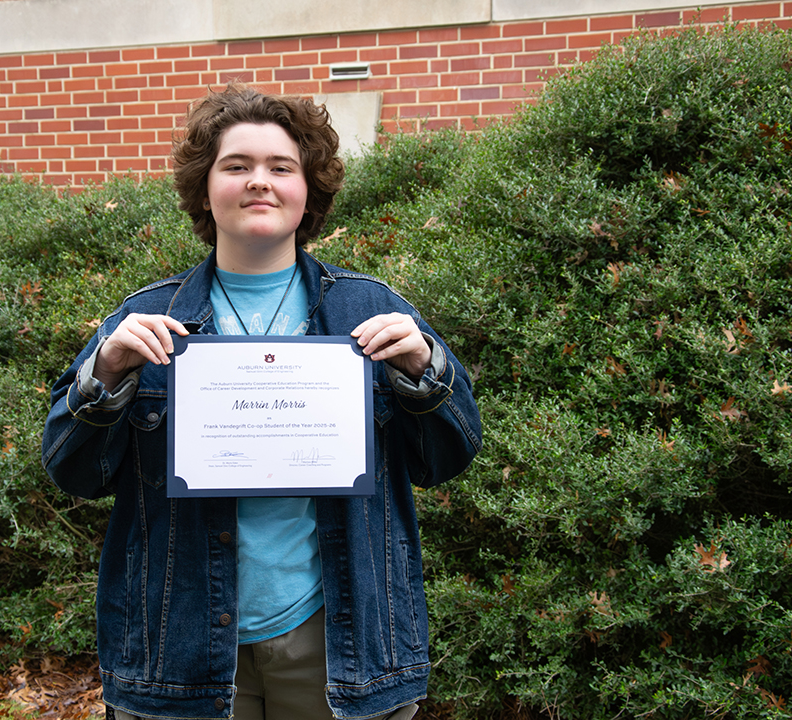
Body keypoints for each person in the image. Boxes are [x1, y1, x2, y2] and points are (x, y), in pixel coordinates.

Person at [41, 84, 481, 720]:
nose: (259, 182)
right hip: (180, 643)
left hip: (340, 639)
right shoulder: (146, 319)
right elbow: (72, 471)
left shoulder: (370, 310)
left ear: (309, 191)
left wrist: (422, 369)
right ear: (205, 188)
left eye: (281, 167)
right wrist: (106, 374)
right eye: (236, 166)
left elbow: (448, 457)